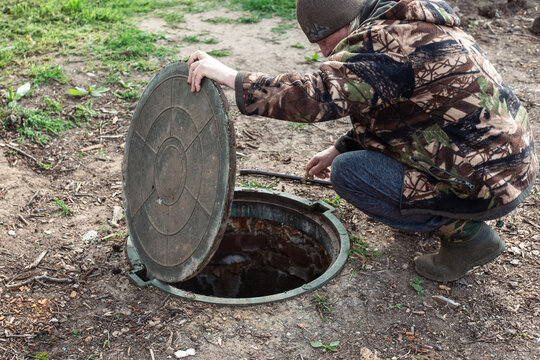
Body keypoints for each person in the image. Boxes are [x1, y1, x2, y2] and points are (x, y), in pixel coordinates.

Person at [187, 0, 537, 282]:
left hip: (487, 183)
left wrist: (233, 78)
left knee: (350, 174)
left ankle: (465, 234)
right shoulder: (406, 23)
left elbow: (316, 96)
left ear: (347, 21)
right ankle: (435, 210)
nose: (324, 51)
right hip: (507, 165)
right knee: (346, 158)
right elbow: (404, 112)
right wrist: (340, 145)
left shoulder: (383, 43)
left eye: (323, 39)